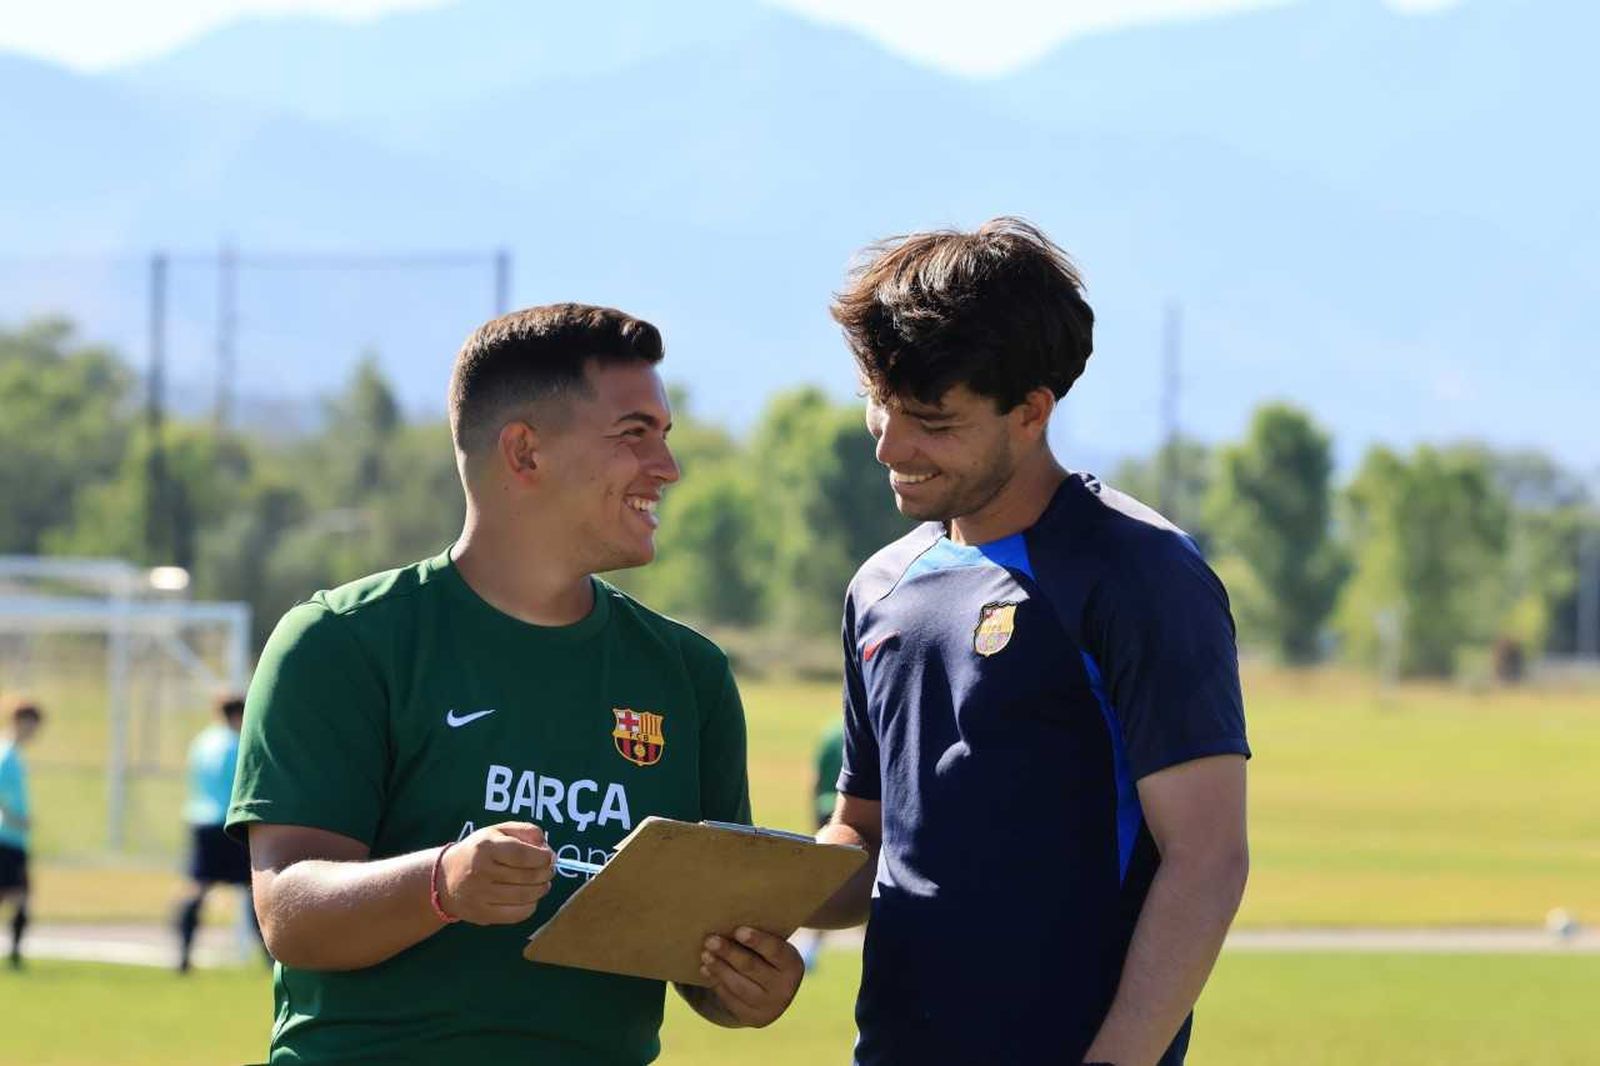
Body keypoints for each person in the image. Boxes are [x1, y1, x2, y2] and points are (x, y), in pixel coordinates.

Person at [230, 303, 803, 1062]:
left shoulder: (687, 675)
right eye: (635, 435)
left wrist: (745, 983)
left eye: (665, 438)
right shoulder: (341, 641)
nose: (667, 469)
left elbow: (697, 943)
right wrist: (442, 883)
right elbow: (289, 913)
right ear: (525, 453)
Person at [809, 219, 1251, 1066]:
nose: (892, 448)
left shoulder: (1139, 573)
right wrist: (734, 897)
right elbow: (864, 840)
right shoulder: (880, 587)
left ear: (1030, 412)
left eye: (932, 421)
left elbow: (1208, 859)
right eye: (882, 407)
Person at [175, 693, 259, 973]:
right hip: (228, 822)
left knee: (196, 888)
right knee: (255, 889)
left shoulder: (202, 742)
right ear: (238, 715)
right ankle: (270, 958)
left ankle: (183, 954)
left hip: (200, 819)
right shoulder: (236, 745)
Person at [0, 699, 43, 970]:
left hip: (15, 837)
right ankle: (15, 956)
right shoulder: (5, 754)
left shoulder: (16, 755)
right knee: (18, 895)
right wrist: (14, 818)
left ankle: (15, 956)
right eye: (29, 724)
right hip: (5, 836)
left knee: (20, 896)